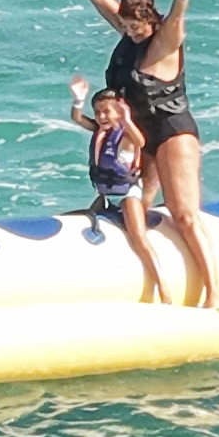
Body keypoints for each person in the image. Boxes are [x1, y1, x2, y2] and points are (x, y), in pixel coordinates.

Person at [49, 0, 219, 308]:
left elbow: (176, 22)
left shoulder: (163, 42)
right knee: (135, 212)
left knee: (184, 214)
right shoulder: (129, 33)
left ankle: (214, 292)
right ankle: (151, 286)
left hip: (173, 132)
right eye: (125, 26)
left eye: (136, 27)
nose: (130, 33)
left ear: (150, 20)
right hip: (141, 138)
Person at [70, 74, 162, 296]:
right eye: (97, 112)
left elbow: (140, 141)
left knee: (139, 239)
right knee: (80, 221)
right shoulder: (100, 132)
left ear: (119, 113)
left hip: (127, 196)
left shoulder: (126, 137)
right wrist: (78, 100)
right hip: (105, 197)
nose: (101, 116)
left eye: (106, 111)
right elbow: (77, 118)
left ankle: (163, 288)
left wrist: (127, 120)